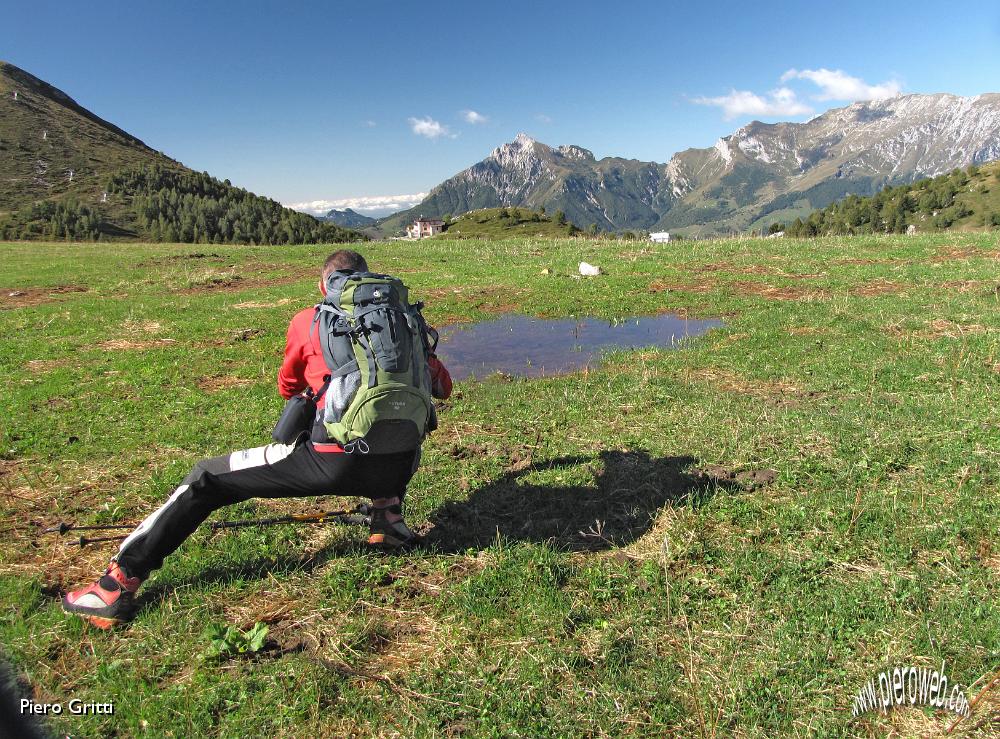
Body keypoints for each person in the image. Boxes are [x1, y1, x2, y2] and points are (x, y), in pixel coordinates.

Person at [62, 249, 452, 628]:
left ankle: (116, 584)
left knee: (206, 477)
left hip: (332, 464)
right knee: (398, 424)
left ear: (324, 286)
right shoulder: (406, 322)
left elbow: (288, 385)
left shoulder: (310, 320)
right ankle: (388, 520)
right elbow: (443, 387)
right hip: (400, 462)